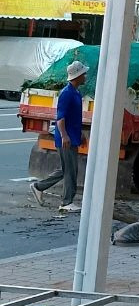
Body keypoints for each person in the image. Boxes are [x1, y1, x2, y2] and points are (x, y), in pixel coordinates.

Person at [31, 59, 88, 212]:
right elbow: (60, 118)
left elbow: (74, 117)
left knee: (66, 169)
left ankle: (38, 187)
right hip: (66, 138)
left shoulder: (76, 92)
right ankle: (66, 202)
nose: (85, 76)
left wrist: (79, 134)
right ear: (77, 76)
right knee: (70, 170)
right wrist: (64, 136)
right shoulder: (67, 93)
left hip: (72, 136)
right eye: (84, 74)